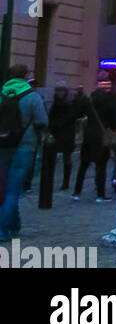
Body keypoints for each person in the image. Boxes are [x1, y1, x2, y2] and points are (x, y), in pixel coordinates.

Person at [0, 65, 48, 242]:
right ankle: (3, 229)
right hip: (25, 146)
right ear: (25, 76)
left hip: (2, 146)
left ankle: (14, 225)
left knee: (4, 188)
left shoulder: (2, 93)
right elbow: (42, 121)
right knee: (14, 189)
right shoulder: (32, 96)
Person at [72, 75, 116, 202]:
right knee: (101, 165)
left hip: (89, 134)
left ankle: (77, 192)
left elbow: (79, 113)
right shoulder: (110, 101)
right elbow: (114, 121)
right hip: (102, 135)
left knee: (83, 165)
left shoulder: (90, 100)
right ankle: (100, 193)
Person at [48, 84, 81, 192]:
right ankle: (49, 180)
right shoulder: (55, 103)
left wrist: (58, 123)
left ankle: (65, 182)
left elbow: (72, 117)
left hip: (67, 134)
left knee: (67, 158)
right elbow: (51, 116)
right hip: (57, 133)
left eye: (61, 90)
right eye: (57, 90)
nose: (59, 93)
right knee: (52, 157)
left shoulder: (70, 103)